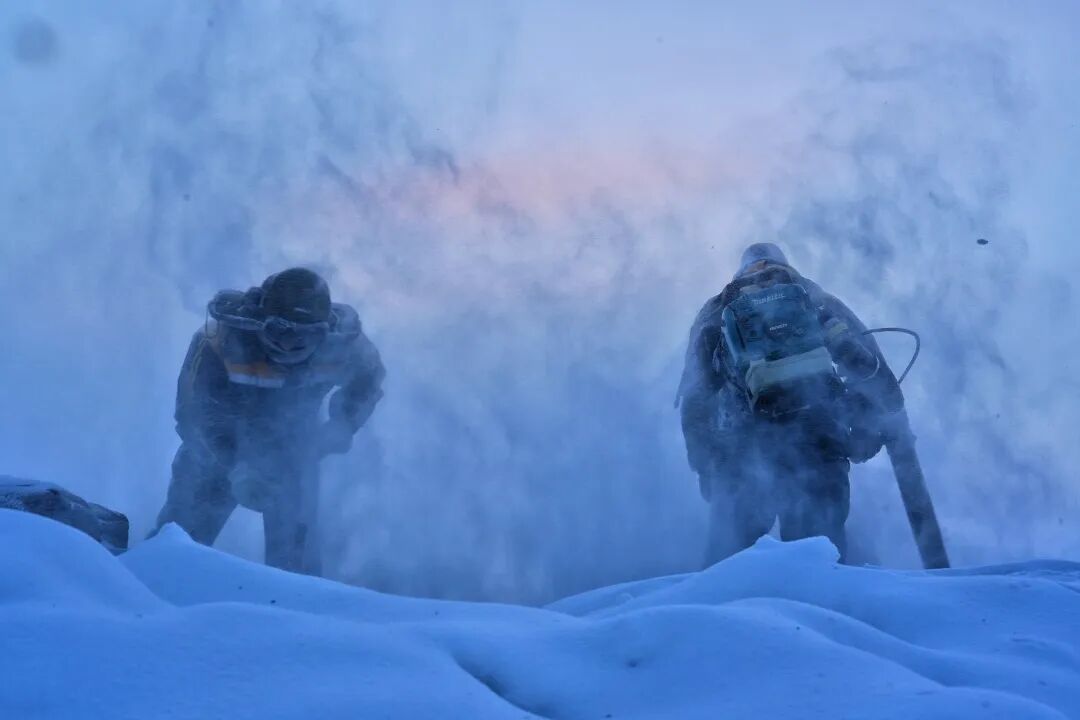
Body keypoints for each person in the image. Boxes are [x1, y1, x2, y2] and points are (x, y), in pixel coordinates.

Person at [677, 243, 905, 564]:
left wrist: (705, 468)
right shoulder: (814, 297)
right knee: (818, 559)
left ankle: (715, 613)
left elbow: (696, 396)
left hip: (741, 456)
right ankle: (827, 611)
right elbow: (876, 376)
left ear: (740, 271)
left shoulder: (718, 309)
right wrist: (868, 432)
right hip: (819, 442)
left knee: (729, 569)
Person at [151, 268, 385, 574]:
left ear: (324, 331)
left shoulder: (344, 347)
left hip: (294, 456)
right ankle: (143, 597)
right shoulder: (223, 340)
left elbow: (368, 379)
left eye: (306, 333)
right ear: (261, 320)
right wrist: (233, 463)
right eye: (280, 329)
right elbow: (193, 412)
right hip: (215, 454)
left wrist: (341, 425)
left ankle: (296, 616)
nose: (290, 344)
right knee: (178, 544)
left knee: (296, 568)